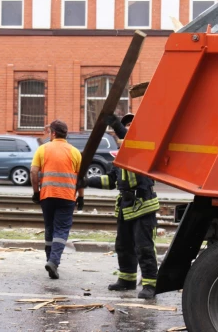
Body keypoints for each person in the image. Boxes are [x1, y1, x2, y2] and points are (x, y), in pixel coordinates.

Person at [78, 113, 159, 299]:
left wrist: (115, 124)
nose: (128, 128)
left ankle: (150, 284)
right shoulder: (121, 157)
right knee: (123, 246)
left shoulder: (145, 147)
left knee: (144, 247)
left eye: (132, 125)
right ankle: (127, 279)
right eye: (126, 125)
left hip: (143, 205)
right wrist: (87, 181)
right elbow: (111, 180)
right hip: (126, 206)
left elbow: (132, 139)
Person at [31, 119, 83, 279]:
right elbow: (80, 178)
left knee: (49, 227)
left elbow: (33, 171)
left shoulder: (43, 149)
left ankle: (49, 260)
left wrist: (36, 192)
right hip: (67, 197)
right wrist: (81, 197)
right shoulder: (75, 152)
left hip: (47, 195)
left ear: (53, 133)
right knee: (61, 230)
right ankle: (53, 261)